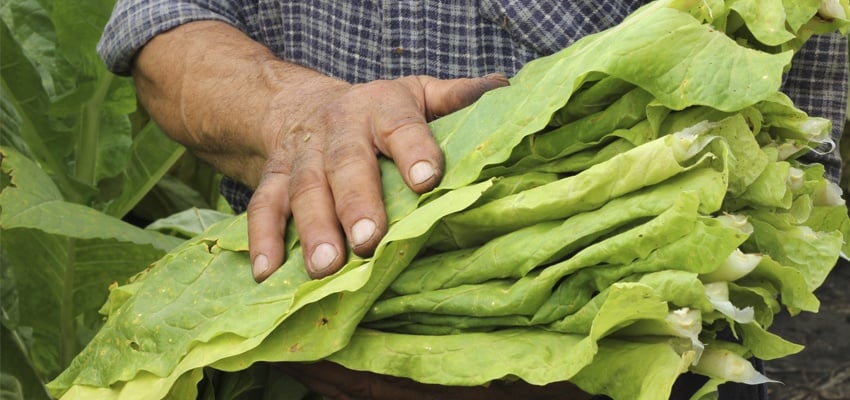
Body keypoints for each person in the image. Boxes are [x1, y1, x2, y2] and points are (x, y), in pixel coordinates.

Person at [97, 1, 848, 399]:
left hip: (645, 362)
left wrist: (568, 357)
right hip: (288, 335)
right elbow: (163, 28)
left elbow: (787, 154)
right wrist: (295, 112)